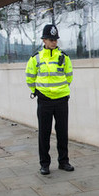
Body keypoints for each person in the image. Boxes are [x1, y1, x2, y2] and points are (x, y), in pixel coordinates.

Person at [25, 24, 74, 175]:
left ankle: (63, 162)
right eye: (51, 39)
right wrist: (36, 91)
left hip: (61, 99)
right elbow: (30, 77)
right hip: (44, 99)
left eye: (55, 39)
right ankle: (44, 164)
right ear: (44, 40)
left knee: (62, 132)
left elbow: (69, 76)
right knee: (44, 133)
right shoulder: (36, 58)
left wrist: (61, 90)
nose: (54, 42)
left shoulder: (64, 57)